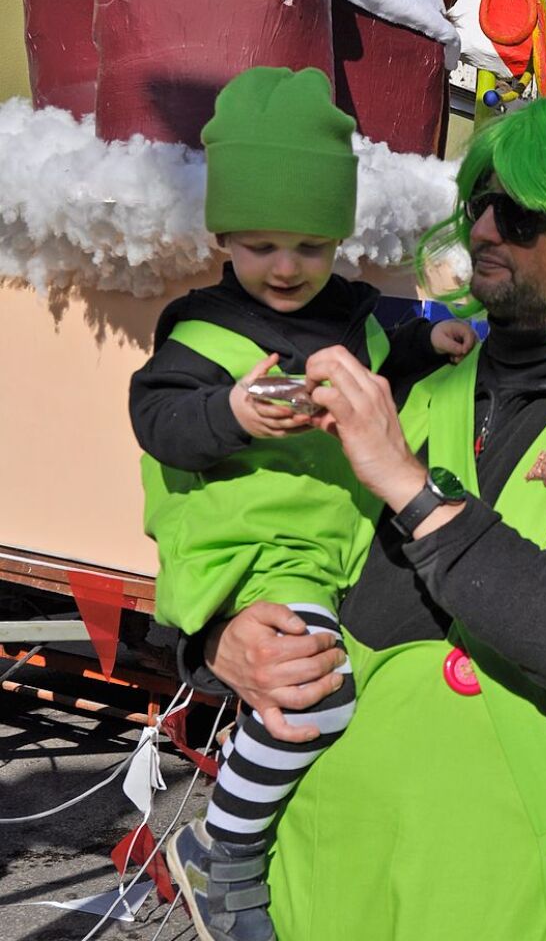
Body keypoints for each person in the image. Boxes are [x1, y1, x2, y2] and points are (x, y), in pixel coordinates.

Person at [192, 89, 546, 941]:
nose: (482, 230)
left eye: (519, 216)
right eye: (481, 203)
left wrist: (411, 489)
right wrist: (217, 639)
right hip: (325, 877)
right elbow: (252, 528)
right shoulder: (405, 375)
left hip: (515, 895)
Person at [129, 66, 475, 941]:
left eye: (310, 248)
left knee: (330, 702)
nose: (285, 269)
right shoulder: (201, 327)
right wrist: (231, 411)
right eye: (259, 245)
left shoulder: (353, 311)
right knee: (314, 697)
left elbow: (384, 345)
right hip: (253, 546)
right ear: (225, 239)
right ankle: (221, 853)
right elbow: (156, 414)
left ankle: (254, 843)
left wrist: (426, 339)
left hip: (333, 545)